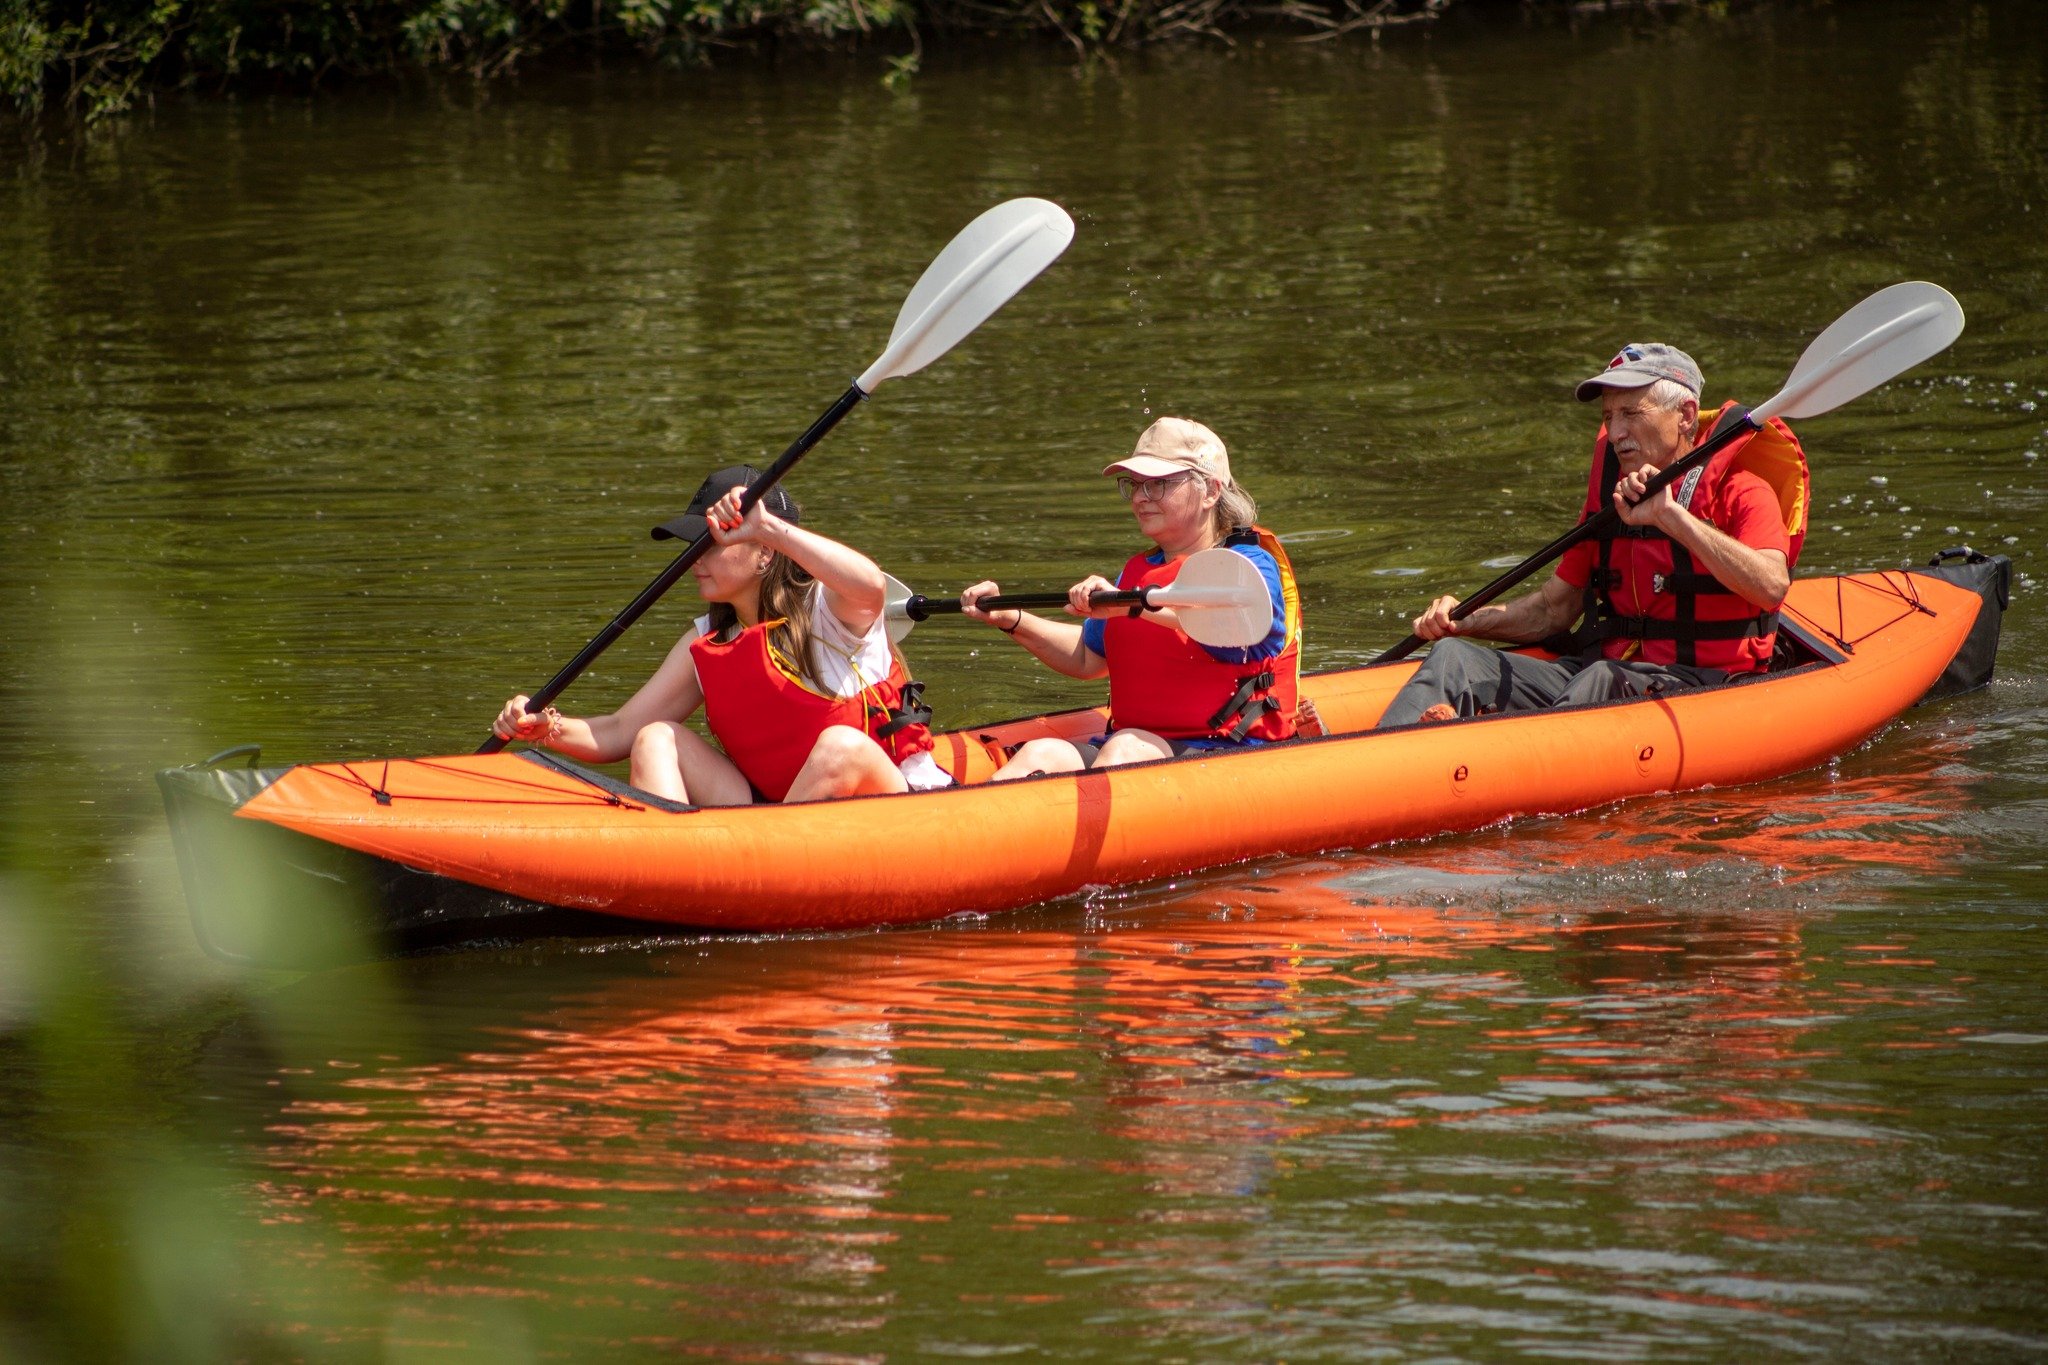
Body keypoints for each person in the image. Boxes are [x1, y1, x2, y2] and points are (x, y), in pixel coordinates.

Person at [1378, 342, 1810, 727]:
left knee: (1601, 679)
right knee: (1454, 658)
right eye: (1609, 416)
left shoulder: (1743, 491)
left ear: (1685, 416)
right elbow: (1554, 609)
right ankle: (1385, 757)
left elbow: (1771, 586)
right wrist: (1468, 621)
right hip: (1602, 673)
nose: (1616, 432)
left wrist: (1672, 518)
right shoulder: (1611, 498)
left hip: (1700, 684)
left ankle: (1511, 761)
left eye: (1631, 413)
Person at [492, 466, 948, 804]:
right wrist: (545, 727)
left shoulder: (830, 610)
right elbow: (618, 732)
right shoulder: (710, 639)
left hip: (889, 805)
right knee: (656, 736)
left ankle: (759, 873)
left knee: (841, 748)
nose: (695, 559)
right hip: (777, 816)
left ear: (765, 552)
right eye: (694, 545)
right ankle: (674, 868)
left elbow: (871, 587)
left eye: (712, 544)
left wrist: (768, 527)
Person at [961, 417, 1304, 779]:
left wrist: (1131, 606)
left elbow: (1237, 626)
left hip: (1227, 751)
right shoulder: (1138, 571)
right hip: (1135, 746)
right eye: (1135, 485)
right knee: (1042, 752)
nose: (1140, 497)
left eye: (1158, 484)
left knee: (1126, 747)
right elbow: (1087, 659)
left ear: (1210, 491)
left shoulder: (1248, 566)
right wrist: (1011, 619)